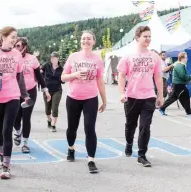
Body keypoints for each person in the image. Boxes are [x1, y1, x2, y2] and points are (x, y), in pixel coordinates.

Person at [0, 26, 30, 179]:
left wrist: (24, 95)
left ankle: (6, 165)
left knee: (6, 130)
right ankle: (0, 152)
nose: (15, 40)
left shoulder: (17, 54)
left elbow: (20, 77)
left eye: (16, 37)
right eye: (12, 37)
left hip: (13, 96)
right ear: (3, 37)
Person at [61, 30, 107, 173]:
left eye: (88, 39)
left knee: (89, 128)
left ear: (93, 41)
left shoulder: (98, 59)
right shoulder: (73, 56)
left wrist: (104, 99)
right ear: (80, 41)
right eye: (83, 39)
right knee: (72, 128)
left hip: (90, 98)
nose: (86, 41)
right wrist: (74, 75)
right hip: (73, 97)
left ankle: (91, 160)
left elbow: (100, 81)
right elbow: (63, 77)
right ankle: (71, 148)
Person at [117, 26, 163, 167]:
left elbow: (158, 77)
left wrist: (160, 95)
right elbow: (122, 75)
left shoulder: (154, 57)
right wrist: (122, 93)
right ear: (137, 38)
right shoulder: (128, 57)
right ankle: (129, 143)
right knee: (130, 125)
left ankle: (142, 155)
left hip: (148, 96)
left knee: (145, 127)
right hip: (131, 97)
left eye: (149, 36)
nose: (148, 39)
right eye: (145, 36)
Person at [13, 37, 51, 153]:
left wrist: (45, 90)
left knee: (26, 117)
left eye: (18, 45)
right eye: (14, 45)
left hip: (30, 92)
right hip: (16, 92)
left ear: (24, 46)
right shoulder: (12, 58)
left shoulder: (32, 59)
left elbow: (39, 77)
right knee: (15, 117)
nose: (16, 48)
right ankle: (18, 132)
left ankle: (25, 143)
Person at [159, 52, 191, 116]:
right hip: (179, 85)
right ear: (182, 58)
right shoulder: (180, 65)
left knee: (178, 96)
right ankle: (188, 111)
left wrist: (188, 79)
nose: (187, 59)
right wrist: (189, 77)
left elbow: (182, 76)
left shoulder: (180, 65)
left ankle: (188, 111)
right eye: (186, 57)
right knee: (177, 97)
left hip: (178, 84)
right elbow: (182, 76)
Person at [41, 52, 64, 132]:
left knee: (55, 107)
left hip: (57, 90)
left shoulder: (61, 69)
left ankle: (54, 124)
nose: (52, 59)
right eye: (51, 58)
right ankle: (49, 120)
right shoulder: (46, 66)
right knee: (47, 108)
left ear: (58, 59)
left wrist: (64, 78)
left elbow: (63, 81)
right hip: (47, 90)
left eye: (54, 58)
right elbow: (40, 72)